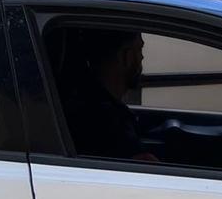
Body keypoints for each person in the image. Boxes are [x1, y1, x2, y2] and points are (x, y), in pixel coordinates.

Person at [62, 28, 154, 160]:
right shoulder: (107, 121)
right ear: (126, 56)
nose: (142, 57)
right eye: (139, 49)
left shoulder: (84, 101)